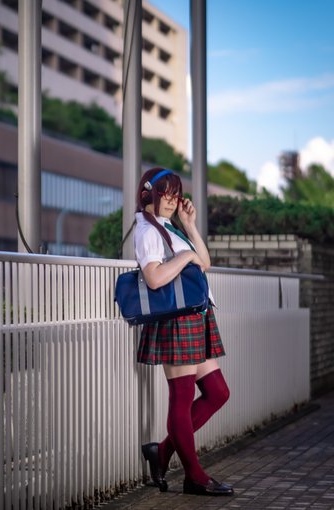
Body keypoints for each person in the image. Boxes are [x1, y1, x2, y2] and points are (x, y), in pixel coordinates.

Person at [135, 167, 234, 497]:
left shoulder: (169, 228)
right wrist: (186, 257)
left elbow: (204, 263)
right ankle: (195, 476)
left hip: (194, 316)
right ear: (148, 193)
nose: (171, 199)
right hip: (176, 319)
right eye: (165, 193)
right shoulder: (147, 230)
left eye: (175, 194)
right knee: (181, 398)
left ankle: (162, 452)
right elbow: (153, 278)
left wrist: (189, 226)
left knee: (218, 392)